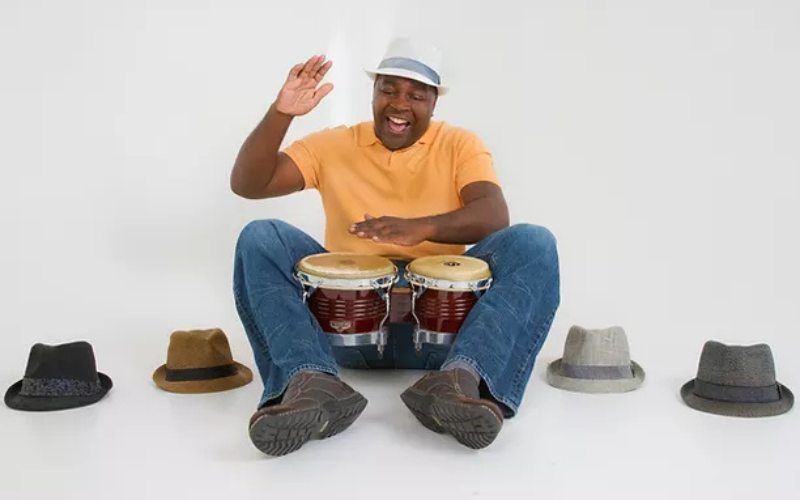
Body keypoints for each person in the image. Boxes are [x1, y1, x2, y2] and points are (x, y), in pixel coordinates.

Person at [230, 38, 560, 456]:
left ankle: (461, 381)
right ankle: (310, 381)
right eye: (388, 89)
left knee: (534, 243)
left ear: (434, 102)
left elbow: (494, 214)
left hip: (447, 336)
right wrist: (281, 115)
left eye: (415, 95)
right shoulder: (333, 144)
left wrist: (421, 228)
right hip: (347, 329)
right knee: (260, 236)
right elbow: (248, 184)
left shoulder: (460, 144)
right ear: (373, 92)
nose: (399, 103)